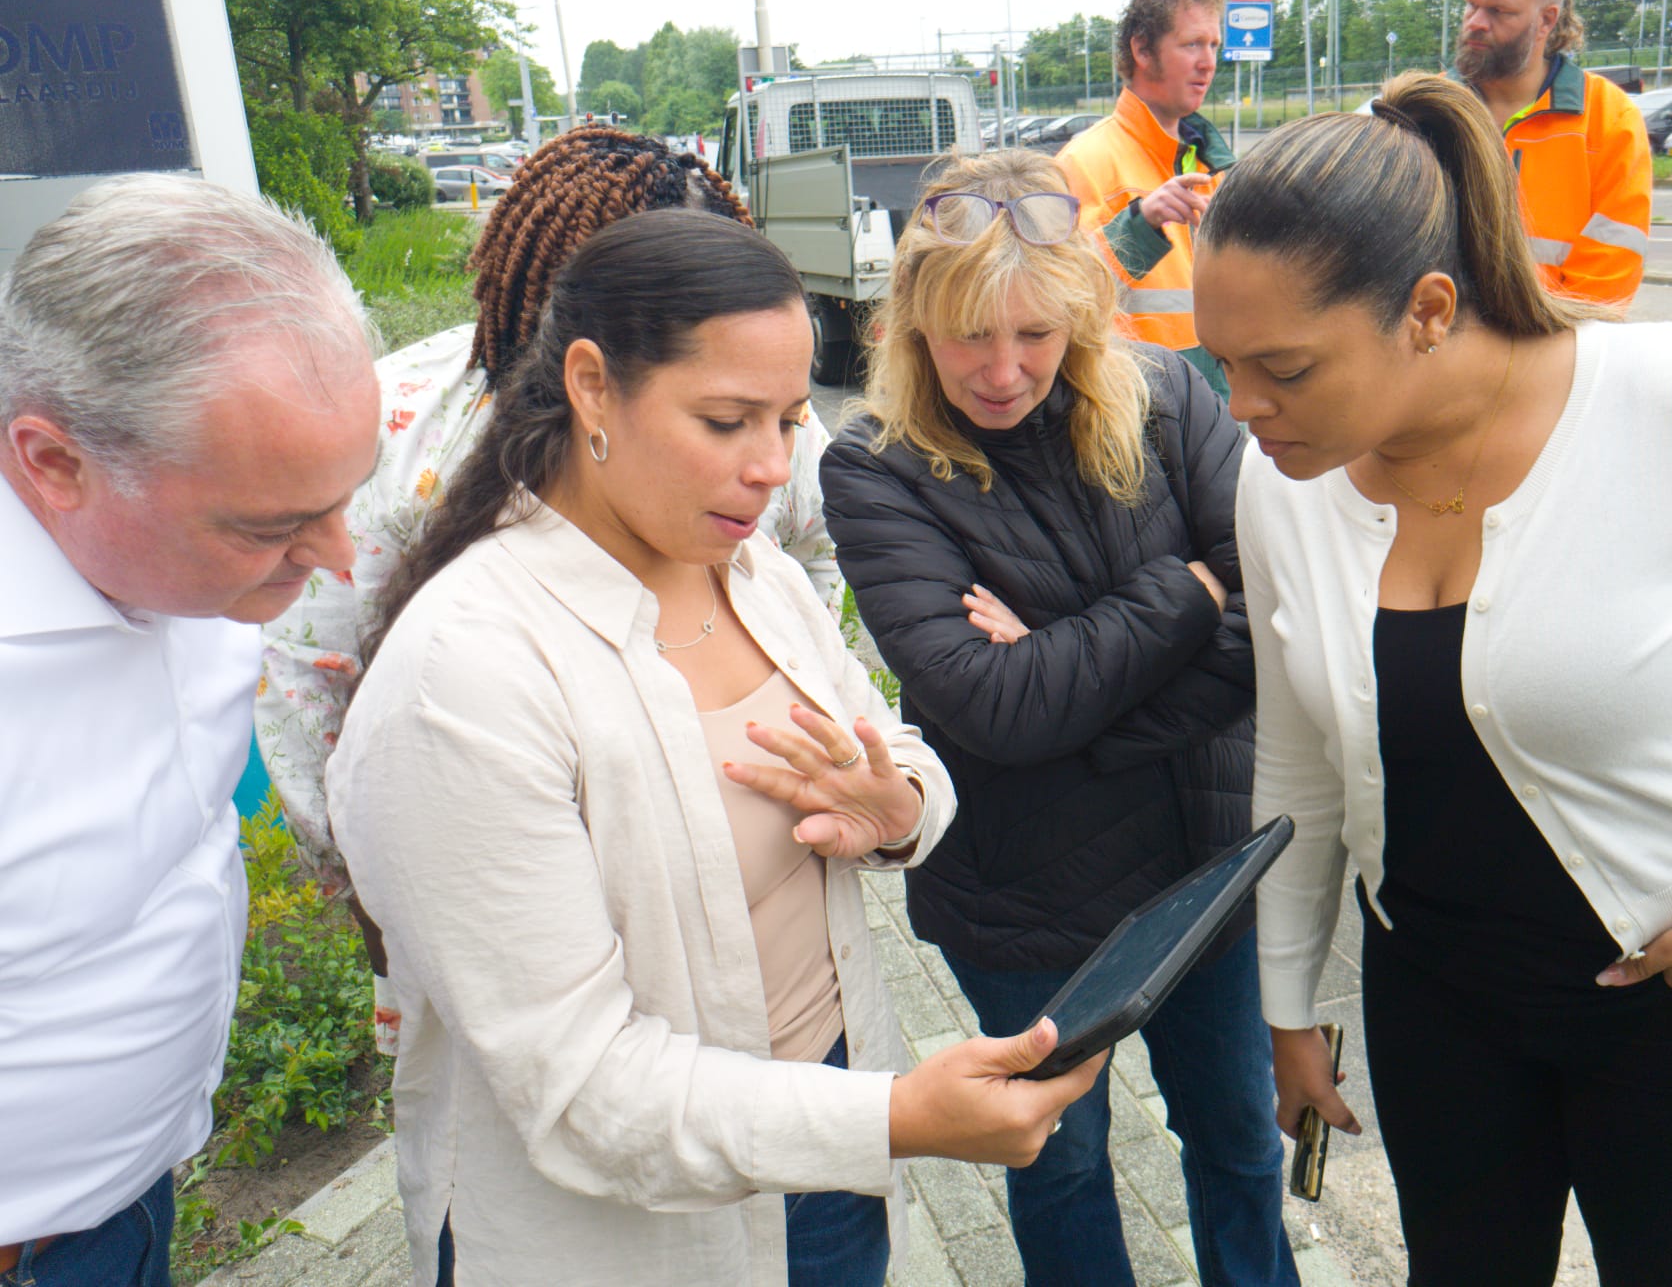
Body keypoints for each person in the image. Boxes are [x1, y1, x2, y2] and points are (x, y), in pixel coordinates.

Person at [1192, 74, 1672, 1287]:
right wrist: (1287, 1005)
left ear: (1430, 309)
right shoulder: (1281, 477)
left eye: (1282, 365)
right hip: (1437, 1002)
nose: (1243, 407)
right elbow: (1299, 757)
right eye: (1220, 361)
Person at [325, 208, 1100, 1286]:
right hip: (625, 1235)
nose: (774, 467)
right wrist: (899, 1115)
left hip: (828, 1162)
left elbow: (893, 751)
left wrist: (902, 811)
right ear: (592, 386)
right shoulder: (468, 677)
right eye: (728, 420)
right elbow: (586, 1089)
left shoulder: (756, 579)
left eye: (788, 419)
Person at [820, 151, 1296, 1286]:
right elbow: (990, 710)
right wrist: (1180, 593)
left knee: (1236, 1140)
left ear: (1079, 315)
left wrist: (1071, 680)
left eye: (1034, 334)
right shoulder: (878, 469)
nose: (1001, 370)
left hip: (1200, 867)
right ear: (914, 325)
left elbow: (1271, 626)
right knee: (1061, 1159)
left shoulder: (1171, 395)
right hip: (1020, 898)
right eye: (967, 336)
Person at [258, 125, 841, 1047]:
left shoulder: (767, 418)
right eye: (723, 417)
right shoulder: (400, 427)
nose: (763, 456)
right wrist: (381, 907)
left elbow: (810, 555)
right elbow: (308, 671)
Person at [0, 177, 379, 1286]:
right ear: (55, 462)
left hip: (133, 1199)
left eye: (343, 496)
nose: (339, 554)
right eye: (271, 526)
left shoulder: (195, 556)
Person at [1056, 0, 1235, 394]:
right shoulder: (1083, 164)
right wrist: (1140, 225)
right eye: (1191, 44)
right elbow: (1061, 301)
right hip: (1133, 406)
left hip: (1224, 406)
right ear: (1141, 49)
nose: (1208, 62)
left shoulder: (1214, 166)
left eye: (1214, 45)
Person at [1456, 0, 1650, 305]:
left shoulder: (1608, 116)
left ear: (1547, 20)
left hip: (1551, 349)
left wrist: (1540, 350)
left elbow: (1610, 266)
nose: (1476, 22)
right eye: (1471, 5)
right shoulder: (1424, 108)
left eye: (1498, 11)